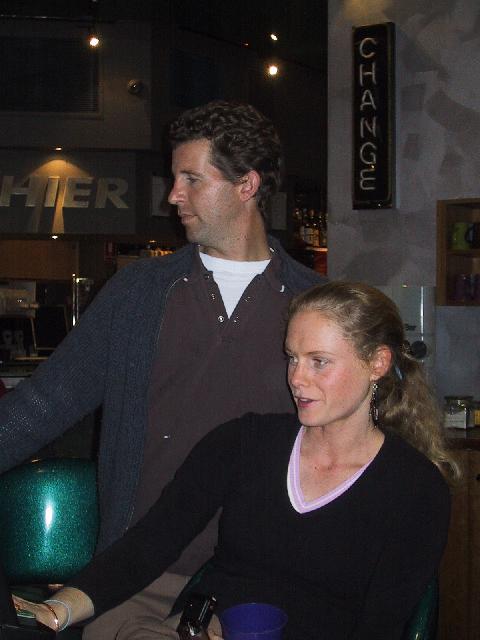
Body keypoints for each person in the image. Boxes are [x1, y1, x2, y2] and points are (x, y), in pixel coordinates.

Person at [0, 100, 323, 637]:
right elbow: (45, 402)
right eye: (175, 179)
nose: (173, 195)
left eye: (191, 179)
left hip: (266, 577)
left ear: (246, 184)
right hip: (136, 573)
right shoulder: (138, 294)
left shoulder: (317, 304)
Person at [14, 281, 457, 640]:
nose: (297, 379)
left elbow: (381, 626)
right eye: (292, 358)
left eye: (319, 362)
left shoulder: (415, 490)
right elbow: (150, 543)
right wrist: (61, 607)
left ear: (377, 363)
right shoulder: (245, 443)